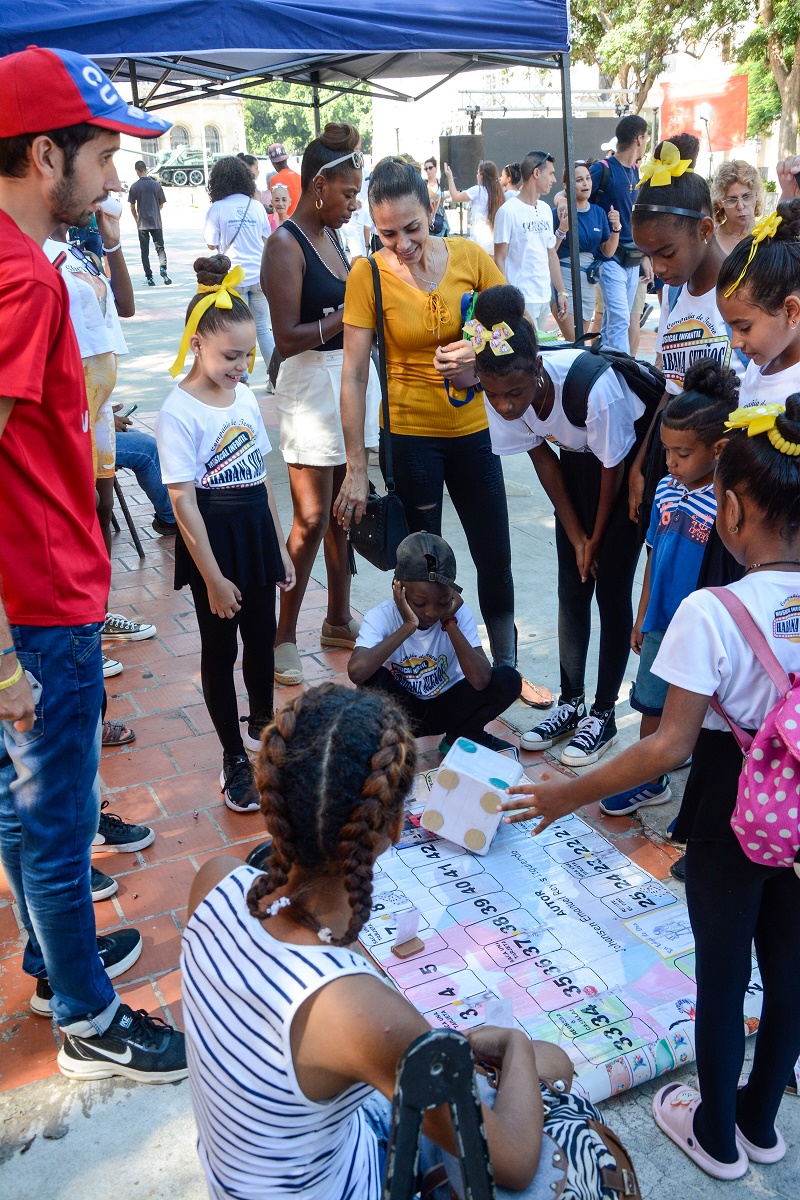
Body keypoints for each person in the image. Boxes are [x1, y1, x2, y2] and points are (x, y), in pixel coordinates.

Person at [500, 399, 800, 1182]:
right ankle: (761, 1124)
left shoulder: (716, 612)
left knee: (725, 974)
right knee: (792, 967)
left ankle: (717, 1134)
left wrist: (568, 794)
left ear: (732, 510)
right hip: (799, 811)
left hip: (737, 806)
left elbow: (668, 746)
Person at [183, 681, 584, 1200]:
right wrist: (515, 1044)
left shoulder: (214, 880)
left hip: (252, 1174)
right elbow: (514, 1162)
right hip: (348, 1180)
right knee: (549, 1068)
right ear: (395, 825)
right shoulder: (354, 1008)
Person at [0, 43, 186, 1081]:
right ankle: (86, 1016)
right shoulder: (22, 280)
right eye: (103, 157)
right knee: (59, 819)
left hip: (29, 598)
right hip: (40, 606)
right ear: (44, 155)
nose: (115, 180)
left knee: (23, 808)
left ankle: (52, 963)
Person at [335, 157, 529, 689]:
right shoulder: (368, 274)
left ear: (433, 209)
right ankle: (431, 674)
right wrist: (356, 466)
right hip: (410, 440)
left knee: (495, 556)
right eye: (388, 233)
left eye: (413, 228)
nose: (403, 244)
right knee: (424, 571)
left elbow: (519, 326)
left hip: (476, 434)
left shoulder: (469, 256)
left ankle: (504, 672)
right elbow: (353, 374)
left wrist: (478, 350)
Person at [473, 285, 644, 767]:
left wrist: (597, 538)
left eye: (515, 394)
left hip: (625, 470)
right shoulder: (498, 386)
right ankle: (571, 703)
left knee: (611, 590)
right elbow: (543, 459)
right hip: (576, 464)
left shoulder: (592, 388)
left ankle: (603, 713)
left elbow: (613, 467)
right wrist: (575, 536)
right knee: (572, 587)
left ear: (538, 368)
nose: (505, 406)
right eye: (493, 395)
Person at [158, 254, 295, 812]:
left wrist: (279, 545)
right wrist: (213, 578)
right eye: (230, 356)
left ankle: (264, 729)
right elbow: (183, 501)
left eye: (248, 355)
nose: (241, 367)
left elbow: (261, 476)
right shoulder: (178, 410)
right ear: (197, 345)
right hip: (213, 538)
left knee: (262, 638)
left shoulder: (243, 396)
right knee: (220, 649)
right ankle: (231, 756)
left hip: (255, 532)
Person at [262, 123, 379, 687]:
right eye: (349, 193)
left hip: (347, 383)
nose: (355, 204)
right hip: (310, 386)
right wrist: (349, 315)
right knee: (310, 520)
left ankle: (336, 618)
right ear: (318, 187)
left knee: (344, 512)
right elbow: (286, 337)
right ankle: (283, 635)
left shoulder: (333, 237)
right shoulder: (285, 245)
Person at [599, 361, 734, 817]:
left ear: (718, 449)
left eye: (683, 453)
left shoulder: (728, 502)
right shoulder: (663, 490)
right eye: (667, 451)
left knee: (709, 713)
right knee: (652, 703)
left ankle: (695, 779)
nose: (671, 462)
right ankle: (649, 781)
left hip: (706, 629)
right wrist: (643, 615)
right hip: (662, 622)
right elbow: (654, 555)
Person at [627, 135, 746, 530]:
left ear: (705, 229)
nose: (658, 268)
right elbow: (671, 387)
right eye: (649, 256)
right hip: (679, 478)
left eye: (667, 253)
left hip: (731, 478)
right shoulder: (676, 292)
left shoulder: (741, 292)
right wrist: (642, 464)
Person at [349, 532, 522, 749]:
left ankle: (464, 734)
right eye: (420, 604)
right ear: (398, 587)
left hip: (448, 709)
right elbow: (357, 672)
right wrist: (408, 626)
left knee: (508, 679)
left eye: (442, 602)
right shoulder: (381, 616)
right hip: (403, 714)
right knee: (371, 678)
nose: (431, 612)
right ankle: (391, 743)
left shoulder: (459, 615)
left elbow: (481, 680)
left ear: (453, 592)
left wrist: (449, 622)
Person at [717, 198, 800, 410]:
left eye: (744, 328)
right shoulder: (758, 368)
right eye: (731, 328)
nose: (734, 343)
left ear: (791, 311)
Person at [204, 155, 274, 377]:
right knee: (263, 328)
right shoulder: (257, 206)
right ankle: (276, 377)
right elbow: (267, 238)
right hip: (260, 277)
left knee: (236, 332)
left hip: (233, 279)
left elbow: (211, 243)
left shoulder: (217, 208)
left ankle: (240, 378)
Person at [589, 114, 650, 353]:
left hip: (632, 257)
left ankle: (607, 363)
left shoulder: (635, 171)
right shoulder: (602, 169)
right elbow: (576, 200)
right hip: (609, 256)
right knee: (620, 319)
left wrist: (645, 256)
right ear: (639, 139)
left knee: (614, 321)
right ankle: (622, 369)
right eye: (646, 137)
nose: (646, 142)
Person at [493, 150, 569, 332]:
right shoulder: (507, 211)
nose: (554, 179)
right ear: (536, 173)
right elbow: (499, 259)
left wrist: (561, 292)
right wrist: (511, 299)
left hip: (544, 297)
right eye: (551, 173)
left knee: (538, 347)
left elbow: (551, 254)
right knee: (523, 348)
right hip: (521, 300)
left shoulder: (545, 209)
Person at [551, 159, 620, 341]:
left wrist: (616, 228)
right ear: (566, 185)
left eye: (588, 178)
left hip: (589, 282)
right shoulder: (559, 212)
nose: (585, 183)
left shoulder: (598, 212)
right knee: (574, 340)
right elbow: (550, 251)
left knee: (580, 341)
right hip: (565, 278)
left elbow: (607, 251)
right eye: (579, 180)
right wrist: (562, 229)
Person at [114, 406, 177, 534]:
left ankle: (172, 511)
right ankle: (171, 518)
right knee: (147, 448)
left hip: (89, 429)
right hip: (79, 441)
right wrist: (104, 420)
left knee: (135, 435)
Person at [443, 158, 503, 256]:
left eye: (478, 173)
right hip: (494, 233)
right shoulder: (499, 192)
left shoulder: (478, 190)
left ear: (482, 175)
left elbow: (455, 197)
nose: (477, 175)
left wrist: (450, 177)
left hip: (480, 234)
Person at [128, 159, 171, 286]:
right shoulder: (156, 185)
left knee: (144, 252)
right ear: (146, 169)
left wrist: (137, 218)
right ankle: (163, 269)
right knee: (160, 248)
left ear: (137, 171)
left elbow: (132, 206)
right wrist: (155, 212)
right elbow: (161, 205)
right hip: (156, 222)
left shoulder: (134, 186)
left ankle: (150, 278)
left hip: (142, 224)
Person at [711, 160, 764, 259]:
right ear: (720, 202)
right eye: (732, 199)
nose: (740, 206)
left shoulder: (768, 235)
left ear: (756, 195)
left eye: (746, 196)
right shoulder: (711, 240)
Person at [266, 141, 301, 214]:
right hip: (300, 218)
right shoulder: (299, 177)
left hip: (285, 219)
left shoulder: (274, 179)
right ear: (286, 159)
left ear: (272, 162)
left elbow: (277, 205)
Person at [423, 156, 449, 236]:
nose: (428, 170)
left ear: (436, 168)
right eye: (426, 169)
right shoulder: (423, 185)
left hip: (440, 218)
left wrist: (443, 198)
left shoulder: (442, 185)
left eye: (430, 168)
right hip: (428, 220)